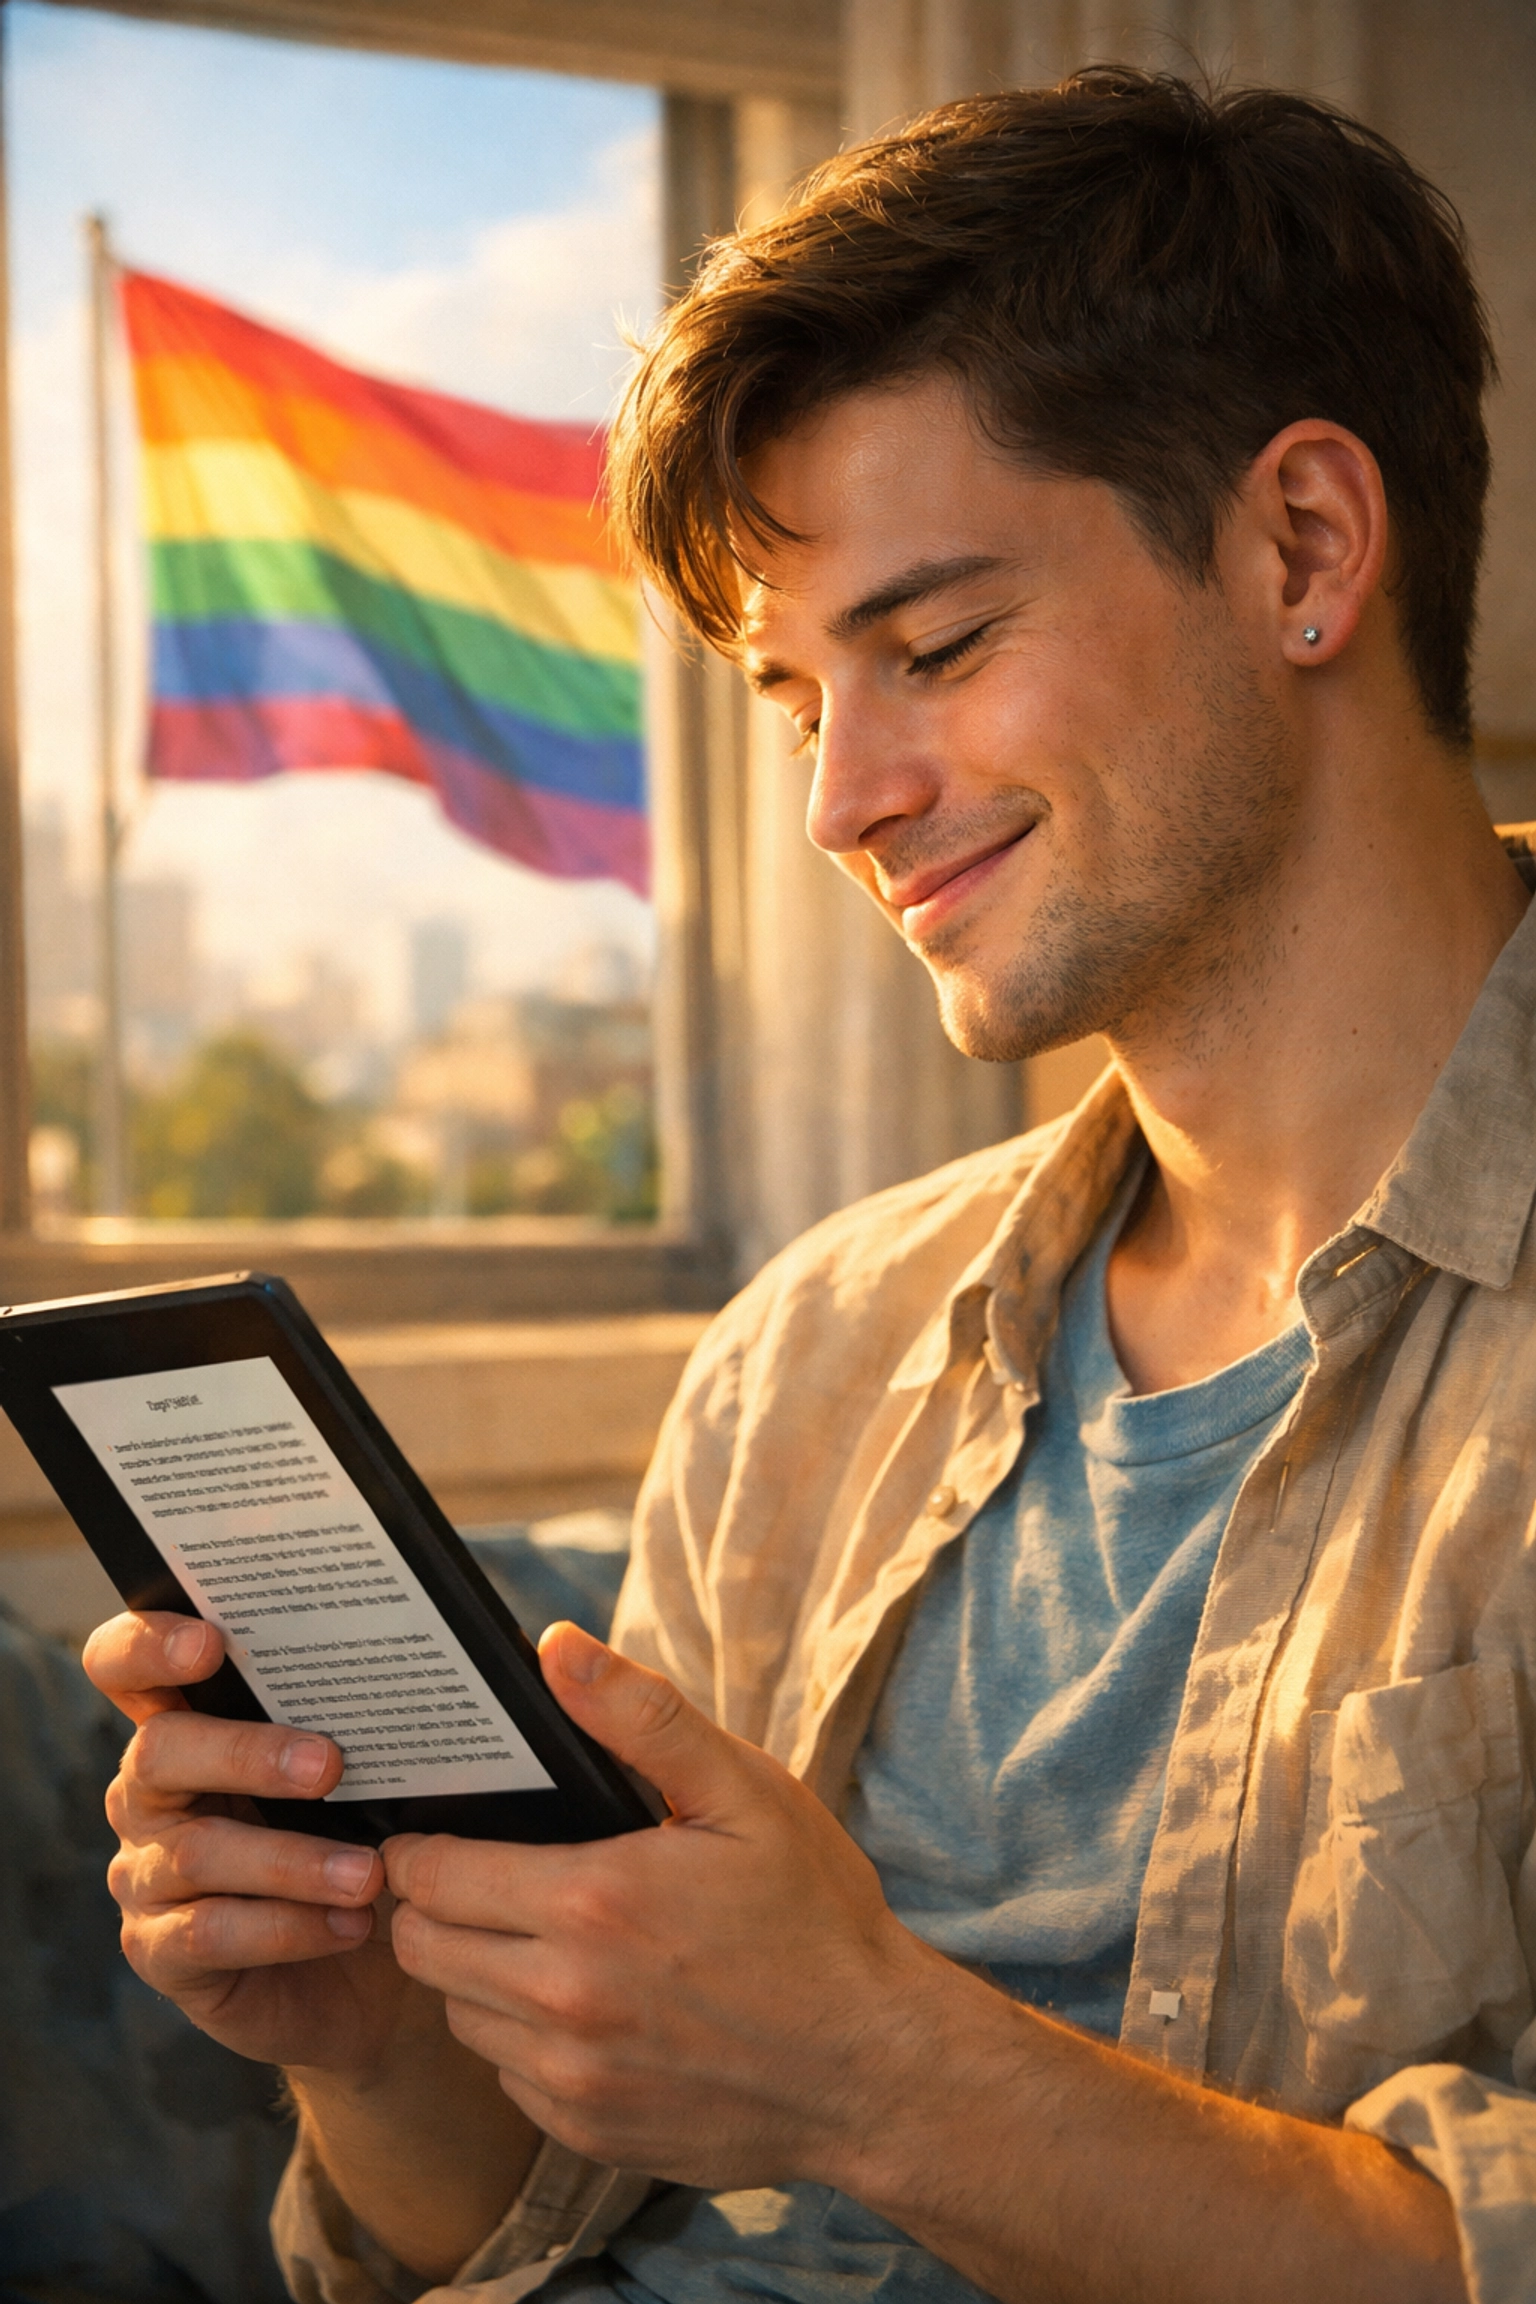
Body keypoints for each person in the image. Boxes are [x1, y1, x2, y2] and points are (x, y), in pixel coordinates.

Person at [82, 68, 1536, 2304]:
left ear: (1306, 552)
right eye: (791, 697)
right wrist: (369, 2042)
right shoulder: (818, 1349)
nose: (841, 803)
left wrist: (881, 2072)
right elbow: (533, 2221)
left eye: (936, 648)